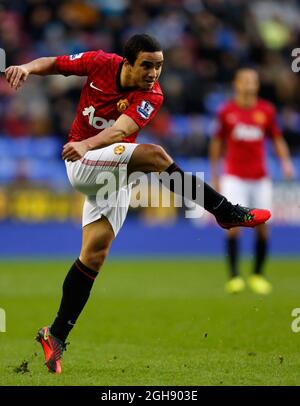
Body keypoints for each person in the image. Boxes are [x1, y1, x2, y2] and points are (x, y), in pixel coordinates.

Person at [5, 35, 271, 374]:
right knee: (155, 154)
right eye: (147, 65)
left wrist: (89, 142)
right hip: (83, 164)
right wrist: (26, 67)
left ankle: (54, 335)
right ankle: (225, 211)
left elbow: (120, 131)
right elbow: (56, 63)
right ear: (127, 62)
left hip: (112, 166)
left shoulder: (152, 95)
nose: (154, 72)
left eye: (159, 65)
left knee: (94, 254)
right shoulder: (100, 62)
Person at [210, 68, 294, 295]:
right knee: (234, 227)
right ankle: (234, 276)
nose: (249, 85)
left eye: (252, 81)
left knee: (263, 227)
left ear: (257, 85)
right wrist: (215, 174)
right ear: (236, 84)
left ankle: (257, 275)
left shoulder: (266, 111)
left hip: (260, 178)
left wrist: (286, 162)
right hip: (234, 177)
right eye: (245, 81)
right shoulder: (226, 112)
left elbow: (277, 139)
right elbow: (217, 144)